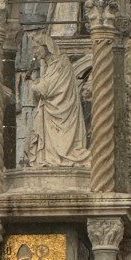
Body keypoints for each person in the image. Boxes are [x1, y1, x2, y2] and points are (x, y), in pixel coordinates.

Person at [23, 33, 89, 167]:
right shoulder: (48, 66)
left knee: (62, 142)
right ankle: (49, 157)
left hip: (63, 110)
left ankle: (59, 157)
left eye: (36, 47)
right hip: (49, 111)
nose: (35, 52)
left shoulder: (61, 62)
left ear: (46, 46)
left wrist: (33, 84)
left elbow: (48, 88)